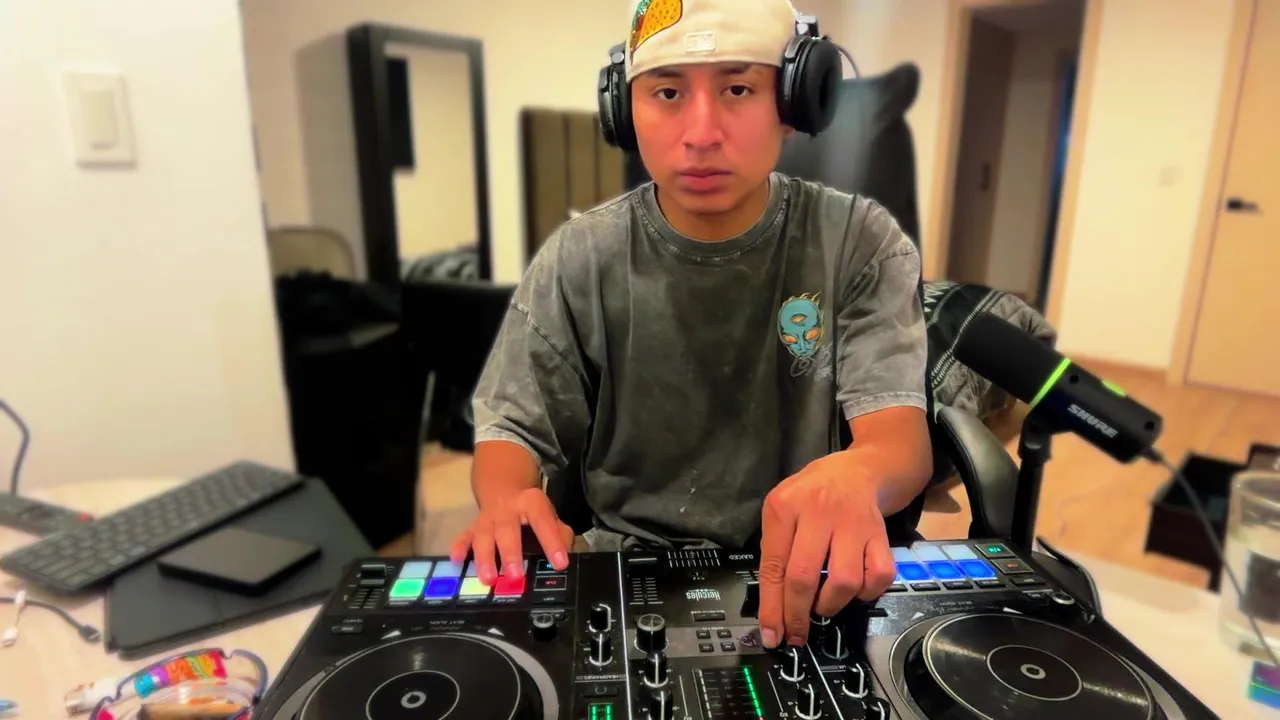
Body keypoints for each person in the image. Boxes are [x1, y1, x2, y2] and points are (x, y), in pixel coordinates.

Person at [450, 0, 933, 649]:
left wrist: (861, 474)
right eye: (668, 92)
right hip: (622, 567)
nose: (701, 133)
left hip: (798, 567)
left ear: (795, 101)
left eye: (738, 89)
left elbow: (900, 443)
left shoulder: (858, 242)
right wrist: (507, 496)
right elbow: (510, 426)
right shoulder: (580, 257)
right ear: (624, 109)